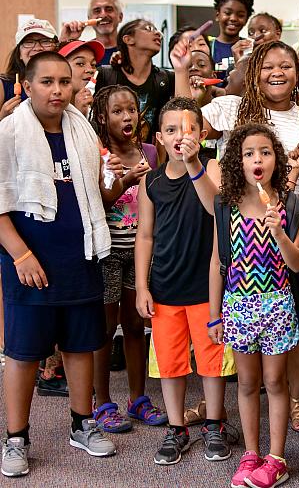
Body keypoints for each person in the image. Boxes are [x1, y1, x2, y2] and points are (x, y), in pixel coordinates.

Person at [0, 52, 121, 478]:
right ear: (26, 85)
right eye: (46, 82)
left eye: (64, 82)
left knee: (80, 345)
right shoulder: (10, 133)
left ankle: (81, 423)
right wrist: (21, 254)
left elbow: (90, 196)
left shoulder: (81, 129)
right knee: (23, 353)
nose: (56, 90)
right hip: (30, 264)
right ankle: (16, 436)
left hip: (80, 257)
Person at [134, 97, 233, 466]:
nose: (180, 136)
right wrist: (143, 286)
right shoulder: (151, 181)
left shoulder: (212, 168)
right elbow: (146, 236)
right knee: (169, 363)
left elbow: (216, 207)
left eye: (188, 128)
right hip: (164, 286)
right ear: (159, 138)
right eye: (172, 130)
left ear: (202, 134)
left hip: (206, 287)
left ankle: (214, 423)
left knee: (212, 360)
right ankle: (176, 426)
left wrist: (194, 165)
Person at [208, 123, 299, 488]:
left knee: (275, 381)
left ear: (275, 159)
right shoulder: (226, 204)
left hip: (278, 305)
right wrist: (214, 314)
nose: (257, 159)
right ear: (239, 162)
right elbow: (219, 262)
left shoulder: (289, 203)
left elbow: (297, 263)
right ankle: (251, 454)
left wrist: (278, 232)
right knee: (247, 383)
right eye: (249, 153)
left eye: (264, 152)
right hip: (238, 307)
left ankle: (276, 458)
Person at [89, 85, 165, 434]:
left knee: (136, 326)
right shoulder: (96, 153)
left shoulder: (150, 151)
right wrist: (122, 182)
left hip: (139, 253)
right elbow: (98, 202)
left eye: (131, 110)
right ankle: (102, 401)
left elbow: (163, 197)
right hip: (107, 254)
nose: (127, 117)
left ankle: (138, 399)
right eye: (118, 112)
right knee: (104, 330)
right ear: (103, 117)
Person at [94, 19, 175, 140]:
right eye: (149, 29)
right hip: (109, 155)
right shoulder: (105, 75)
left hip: (149, 156)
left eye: (158, 31)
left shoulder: (166, 79)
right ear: (128, 39)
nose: (158, 33)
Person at [1, 18, 60, 113]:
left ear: (56, 49)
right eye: (29, 42)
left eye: (45, 41)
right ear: (19, 53)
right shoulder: (4, 85)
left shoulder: (64, 85)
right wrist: (2, 118)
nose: (37, 48)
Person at [209, 0, 255, 77]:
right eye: (227, 13)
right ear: (217, 15)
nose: (233, 18)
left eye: (240, 15)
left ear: (246, 20)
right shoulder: (207, 46)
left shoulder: (250, 47)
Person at [58, 39, 104, 117]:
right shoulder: (47, 109)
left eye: (93, 64)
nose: (90, 70)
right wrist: (79, 114)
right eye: (80, 64)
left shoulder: (100, 110)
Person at [87, 0, 126, 66]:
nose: (103, 15)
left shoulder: (133, 51)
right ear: (89, 20)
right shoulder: (84, 52)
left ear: (120, 17)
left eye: (109, 9)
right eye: (97, 11)